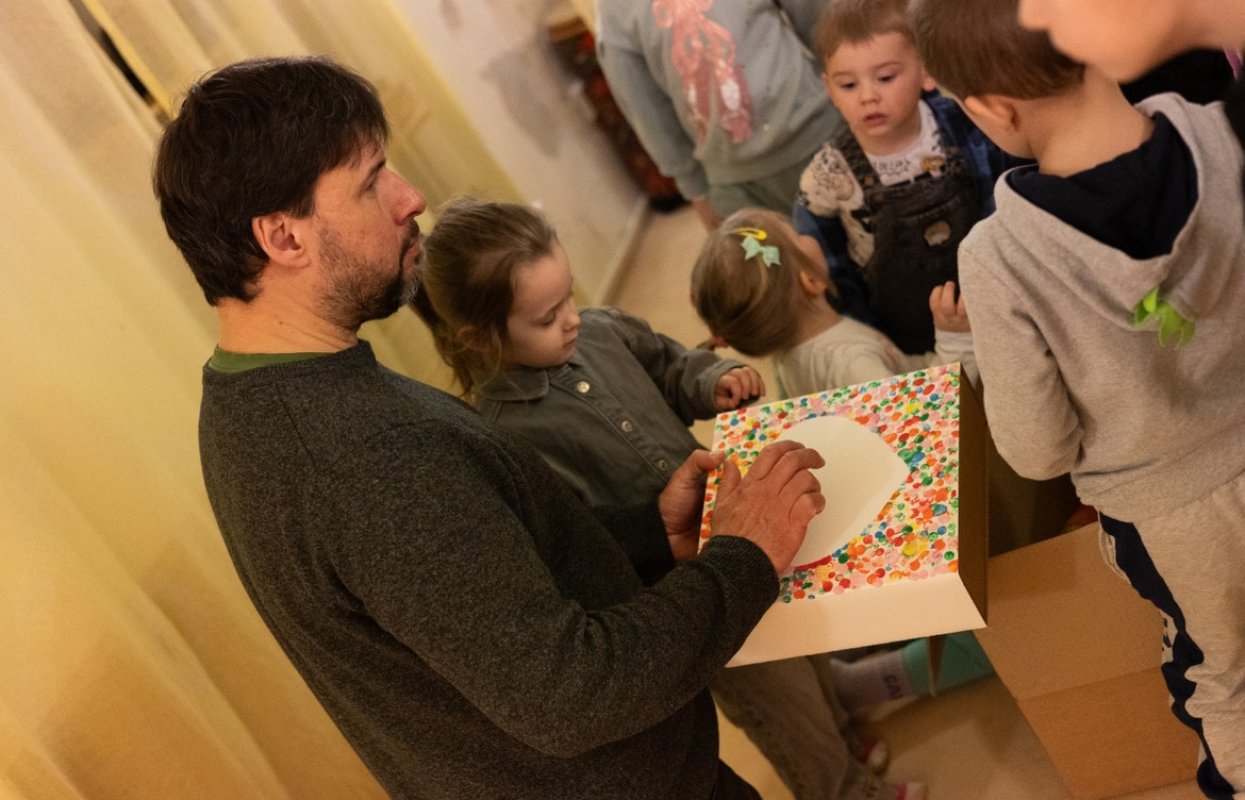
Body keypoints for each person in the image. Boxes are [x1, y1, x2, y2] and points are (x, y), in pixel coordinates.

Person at [153, 55, 832, 800]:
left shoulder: (248, 398)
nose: (410, 197)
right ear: (284, 238)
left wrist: (643, 535)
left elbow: (484, 577)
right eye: (372, 181)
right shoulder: (362, 458)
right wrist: (743, 554)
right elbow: (574, 696)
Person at [410, 197, 924, 800]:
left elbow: (672, 367)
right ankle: (842, 787)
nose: (571, 320)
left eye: (569, 296)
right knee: (782, 704)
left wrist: (711, 381)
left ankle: (842, 732)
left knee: (803, 645)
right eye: (547, 318)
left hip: (738, 535)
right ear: (481, 338)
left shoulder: (603, 330)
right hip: (686, 595)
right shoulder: (508, 437)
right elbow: (580, 539)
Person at [909, 1, 1245, 797]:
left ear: (993, 109)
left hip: (1165, 518)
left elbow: (1036, 450)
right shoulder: (1221, 132)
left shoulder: (997, 258)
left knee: (1222, 677)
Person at [792, 0, 1018, 355]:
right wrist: (867, 337)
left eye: (885, 77)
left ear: (926, 72)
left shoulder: (968, 126)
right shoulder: (827, 178)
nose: (868, 96)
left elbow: (1010, 205)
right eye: (848, 84)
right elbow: (830, 275)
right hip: (905, 340)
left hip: (996, 307)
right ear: (829, 90)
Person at [594, 0, 847, 230]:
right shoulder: (613, 11)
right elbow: (646, 109)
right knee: (774, 263)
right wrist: (694, 189)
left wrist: (850, 88)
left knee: (860, 249)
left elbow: (821, 19)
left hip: (822, 137)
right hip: (737, 188)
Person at [690, 207, 977, 398]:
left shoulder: (788, 353)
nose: (806, 235)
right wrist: (955, 342)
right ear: (810, 281)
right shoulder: (852, 362)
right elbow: (927, 415)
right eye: (797, 235)